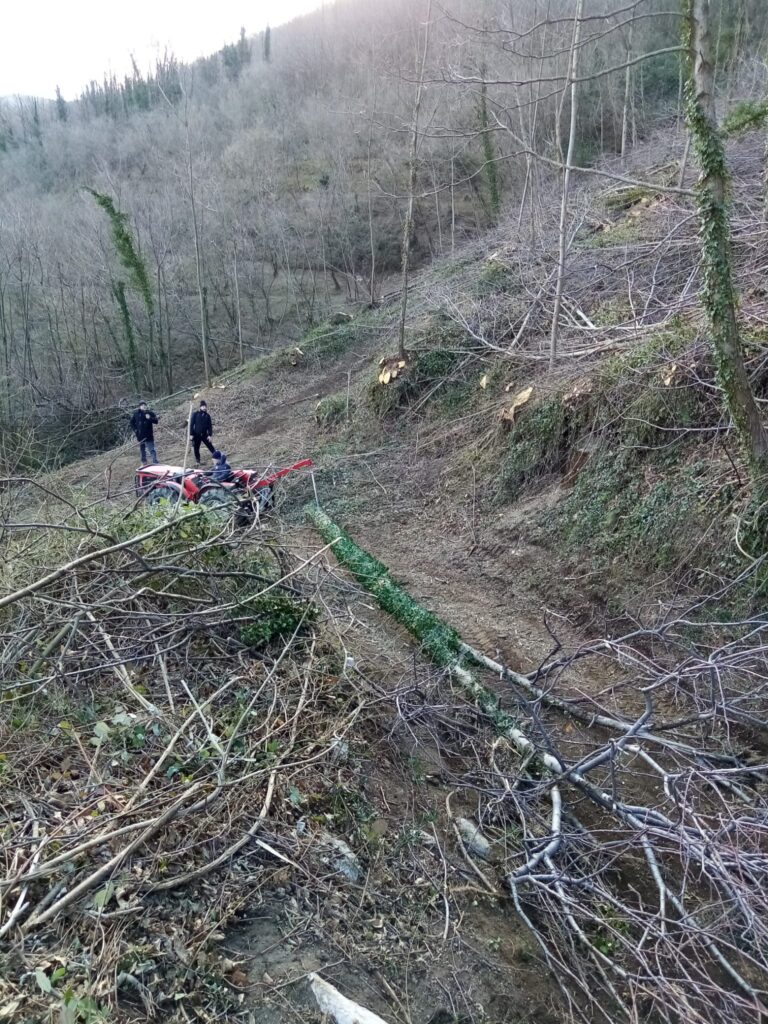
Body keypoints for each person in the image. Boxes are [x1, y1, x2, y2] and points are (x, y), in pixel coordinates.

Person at [189, 400, 215, 466]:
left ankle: (216, 456)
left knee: (210, 446)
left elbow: (209, 426)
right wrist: (191, 434)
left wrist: (209, 435)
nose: (204, 407)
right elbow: (191, 424)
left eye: (205, 406)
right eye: (202, 406)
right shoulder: (195, 414)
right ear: (200, 407)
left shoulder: (207, 416)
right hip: (196, 434)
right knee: (196, 448)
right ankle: (198, 461)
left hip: (204, 434)